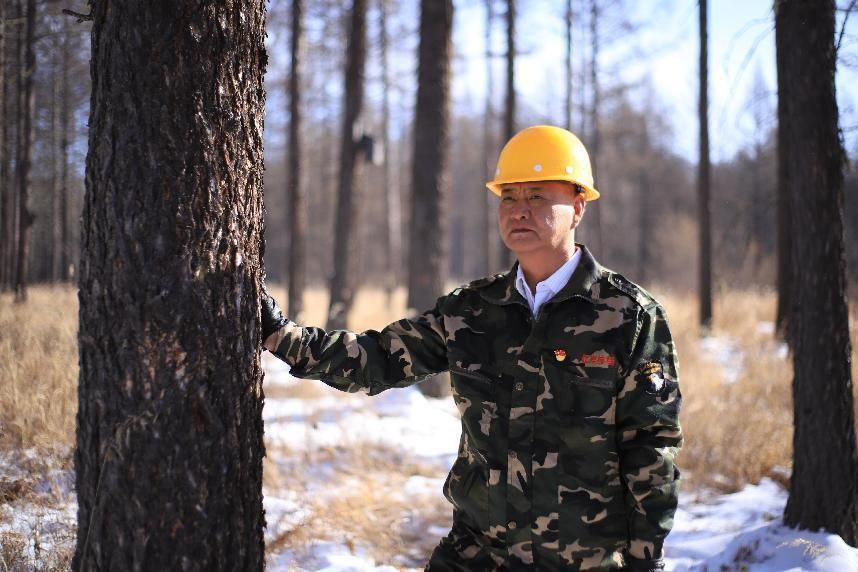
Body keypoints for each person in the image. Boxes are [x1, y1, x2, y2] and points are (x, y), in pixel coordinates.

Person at [261, 125, 682, 572]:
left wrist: (645, 559)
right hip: (478, 556)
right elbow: (377, 358)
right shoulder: (472, 311)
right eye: (509, 197)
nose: (519, 211)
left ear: (578, 207)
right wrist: (279, 335)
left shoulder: (629, 316)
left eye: (537, 196)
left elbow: (651, 448)